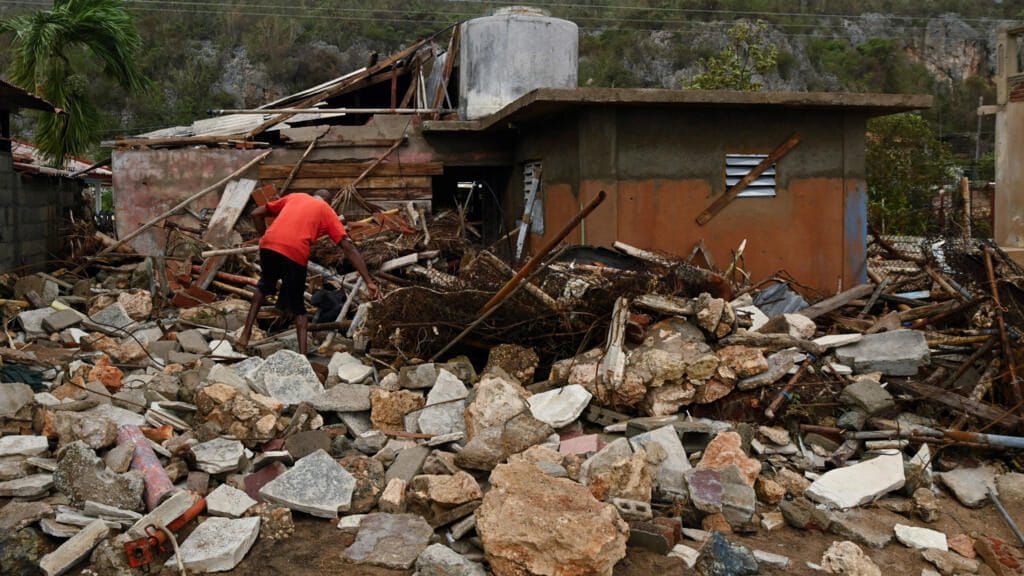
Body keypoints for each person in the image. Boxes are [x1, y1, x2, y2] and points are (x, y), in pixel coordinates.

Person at [238, 189, 379, 354]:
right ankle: (303, 357)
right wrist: (368, 281)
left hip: (269, 245)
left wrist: (264, 237)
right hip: (295, 251)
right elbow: (348, 247)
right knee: (299, 309)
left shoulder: (294, 196)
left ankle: (244, 336)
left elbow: (256, 213)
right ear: (329, 202)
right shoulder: (326, 211)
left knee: (263, 287)